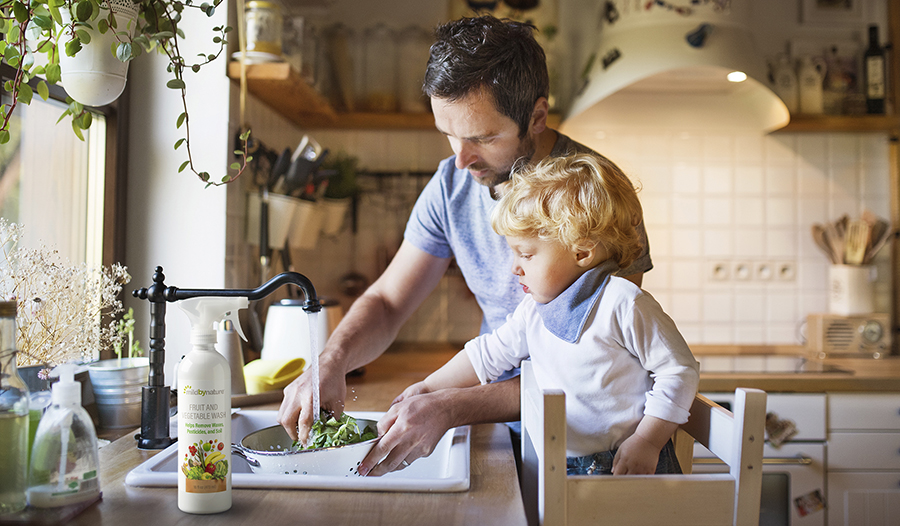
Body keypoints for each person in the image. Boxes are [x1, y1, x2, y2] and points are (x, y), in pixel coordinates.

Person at [277, 15, 653, 476]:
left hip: (590, 444)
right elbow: (388, 302)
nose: (461, 157)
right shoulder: (450, 185)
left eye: (482, 137)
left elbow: (594, 367)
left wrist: (454, 406)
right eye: (449, 133)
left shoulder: (599, 197)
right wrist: (331, 361)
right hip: (502, 425)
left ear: (536, 117)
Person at [404, 153, 699, 475]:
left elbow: (679, 372)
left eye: (526, 254)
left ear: (582, 252)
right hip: (559, 465)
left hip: (625, 464)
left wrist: (647, 440)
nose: (514, 267)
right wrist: (426, 389)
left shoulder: (623, 303)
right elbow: (487, 355)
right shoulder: (535, 309)